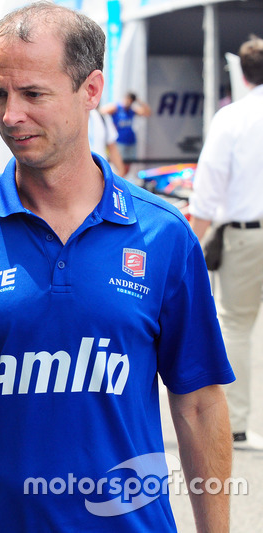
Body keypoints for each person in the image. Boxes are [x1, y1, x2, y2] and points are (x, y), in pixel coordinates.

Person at [0, 3, 235, 532]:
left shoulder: (164, 235)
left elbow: (200, 404)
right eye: (0, 93)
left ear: (91, 91)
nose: (10, 114)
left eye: (33, 94)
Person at [188, 34, 263, 452]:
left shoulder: (233, 118)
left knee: (235, 322)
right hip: (246, 232)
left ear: (244, 74)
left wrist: (191, 244)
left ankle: (235, 426)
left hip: (246, 234)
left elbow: (209, 187)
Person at [100, 91, 151, 175]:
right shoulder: (116, 108)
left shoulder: (132, 110)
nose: (128, 102)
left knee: (128, 166)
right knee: (119, 165)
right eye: (127, 100)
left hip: (130, 142)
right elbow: (101, 111)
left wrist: (139, 102)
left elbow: (147, 113)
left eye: (130, 101)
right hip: (119, 142)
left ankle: (123, 181)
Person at [88, 108, 125, 175]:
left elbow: (112, 148)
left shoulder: (102, 117)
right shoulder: (71, 118)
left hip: (100, 174)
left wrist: (121, 172)